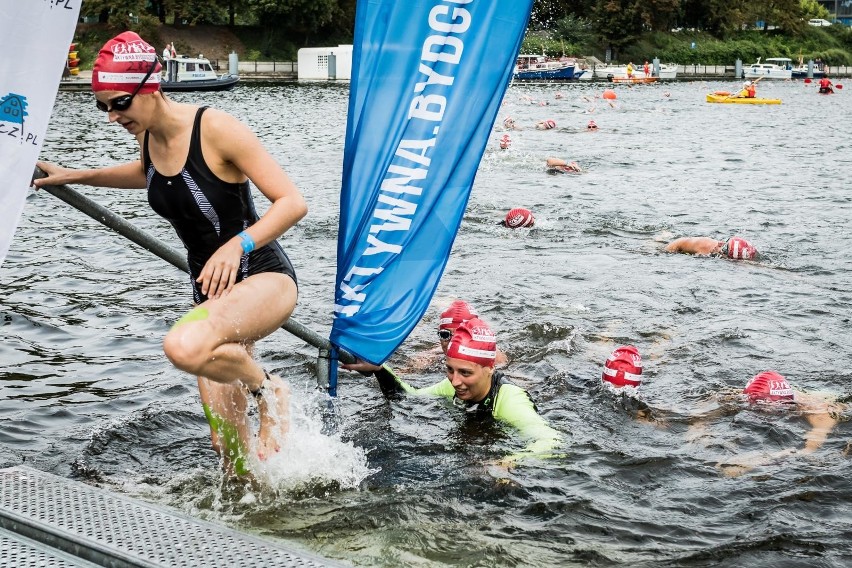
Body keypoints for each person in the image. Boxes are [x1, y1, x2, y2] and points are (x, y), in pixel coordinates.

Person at [32, 32, 308, 472]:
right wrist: (73, 175)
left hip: (261, 276)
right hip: (213, 293)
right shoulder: (146, 138)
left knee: (183, 346)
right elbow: (150, 176)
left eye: (120, 102)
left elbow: (293, 202)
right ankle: (256, 514)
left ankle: (270, 389)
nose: (111, 116)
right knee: (228, 449)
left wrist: (238, 245)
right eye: (102, 106)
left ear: (151, 85)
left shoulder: (215, 128)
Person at [362, 318, 563, 465]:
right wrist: (379, 369)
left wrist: (510, 461)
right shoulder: (451, 384)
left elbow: (551, 441)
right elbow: (408, 396)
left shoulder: (510, 400)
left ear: (489, 368)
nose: (455, 381)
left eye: (465, 373)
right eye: (450, 370)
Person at [664, 236, 758, 260]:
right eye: (725, 243)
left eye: (725, 249)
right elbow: (679, 242)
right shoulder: (705, 246)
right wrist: (666, 252)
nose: (719, 246)